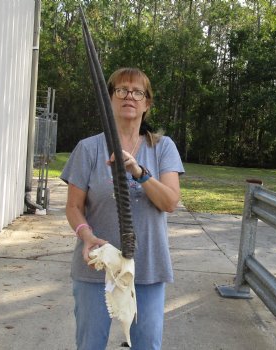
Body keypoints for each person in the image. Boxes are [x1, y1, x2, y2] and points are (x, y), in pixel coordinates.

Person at [60, 67, 184, 350]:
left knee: (146, 345)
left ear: (147, 103)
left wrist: (138, 171)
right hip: (97, 265)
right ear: (110, 99)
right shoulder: (88, 149)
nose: (129, 96)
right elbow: (73, 207)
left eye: (137, 91)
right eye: (121, 90)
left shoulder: (162, 148)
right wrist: (86, 235)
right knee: (90, 344)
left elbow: (170, 202)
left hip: (148, 266)